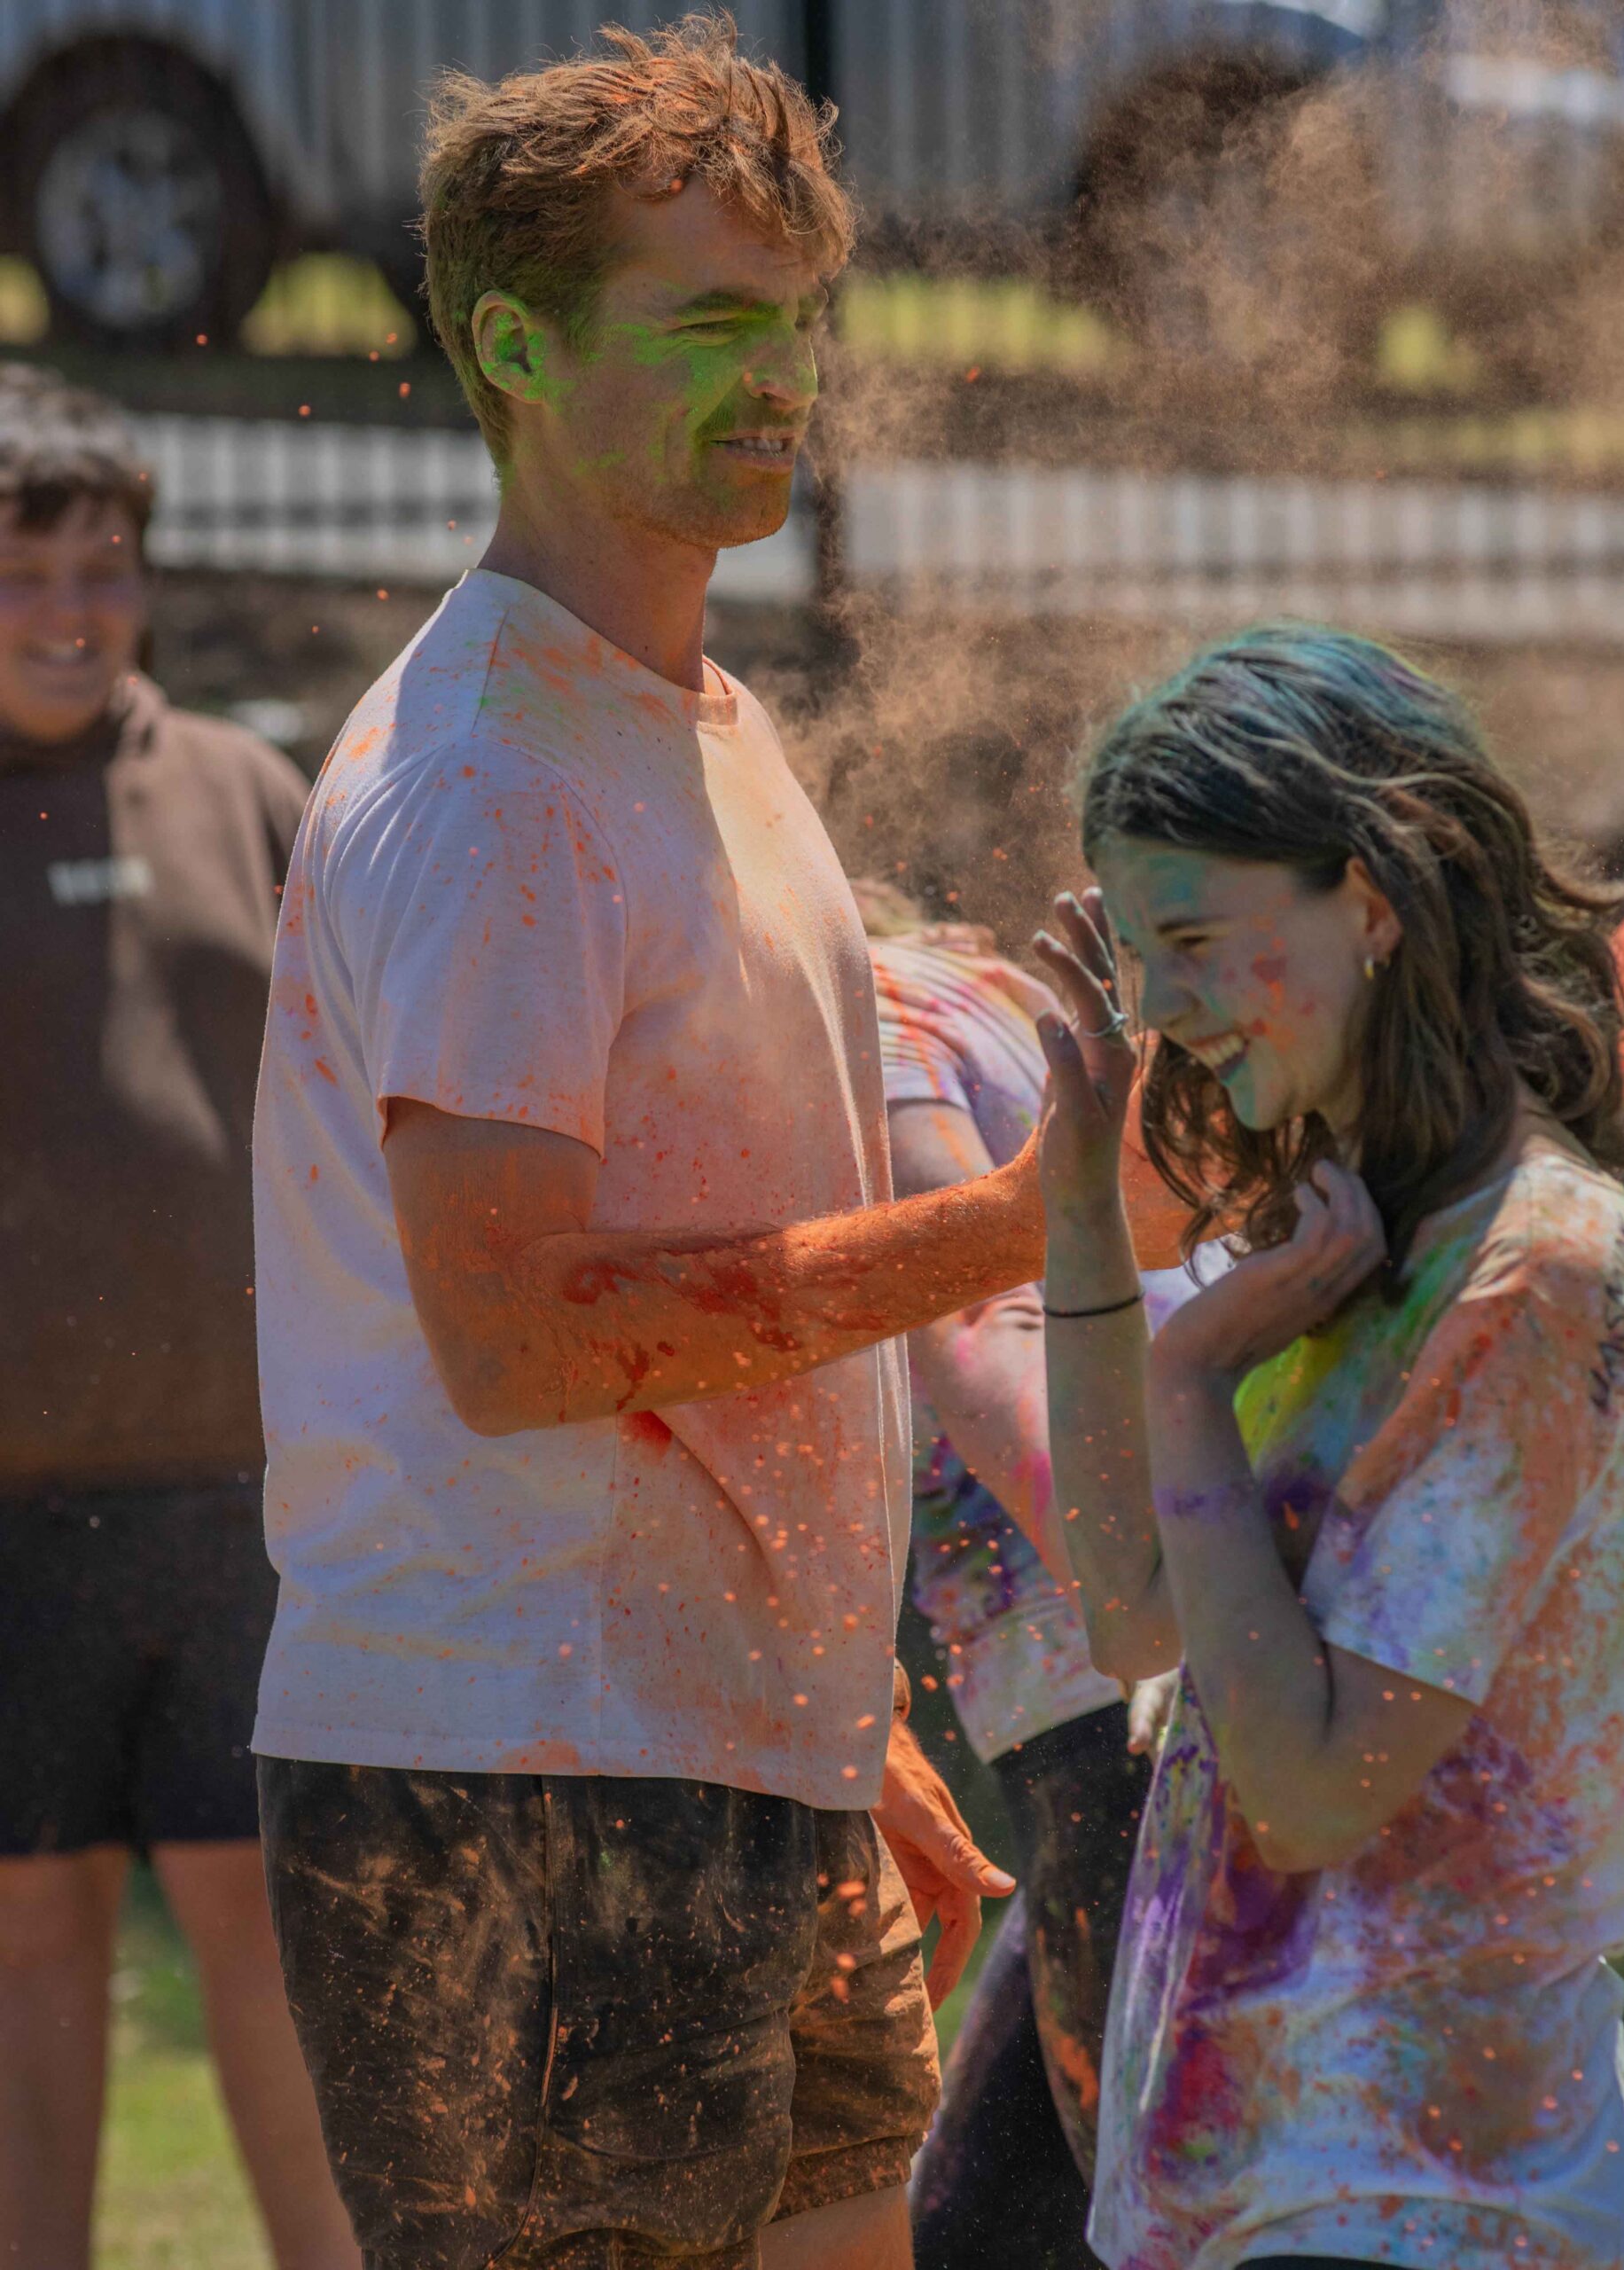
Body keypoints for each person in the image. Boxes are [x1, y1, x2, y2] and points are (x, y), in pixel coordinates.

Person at [250, 27, 1170, 2270]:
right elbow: (517, 1337)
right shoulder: (494, 784)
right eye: (708, 323)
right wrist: (1022, 1221)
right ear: (511, 345)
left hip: (728, 1740)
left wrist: (829, 1715)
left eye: (800, 320)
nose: (782, 379)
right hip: (518, 1766)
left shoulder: (697, 719)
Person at [1030, 625, 1624, 2270]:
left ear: (1372, 901)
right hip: (1275, 2195)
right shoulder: (1353, 1242)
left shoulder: (1535, 1272)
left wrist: (1190, 1380)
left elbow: (1314, 1792)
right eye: (1133, 953)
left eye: (1191, 938)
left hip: (1430, 2204)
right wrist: (1080, 1211)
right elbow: (1130, 1611)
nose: (1155, 1007)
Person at [0, 371, 355, 2266]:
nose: (70, 609)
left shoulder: (244, 788)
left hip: (244, 1490)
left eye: (105, 565)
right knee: (29, 1926)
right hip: (11, 1504)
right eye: (23, 571)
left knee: (262, 1909)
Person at [853, 881, 1210, 2270]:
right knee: (977, 2230)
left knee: (1162, 2222)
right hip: (1151, 1653)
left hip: (1109, 1688)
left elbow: (976, 1291)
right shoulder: (981, 991)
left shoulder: (867, 1015)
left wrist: (1125, 1564)